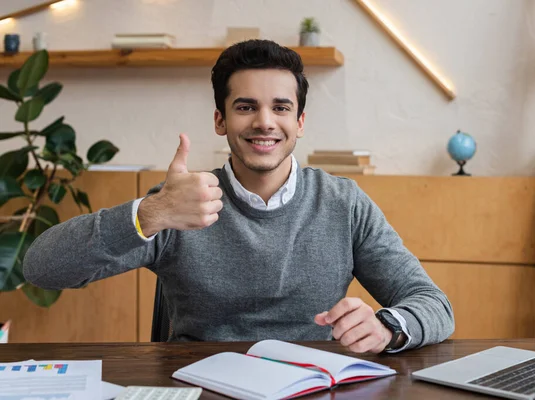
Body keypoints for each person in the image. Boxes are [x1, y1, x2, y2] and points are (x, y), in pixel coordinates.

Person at [23, 39, 454, 354]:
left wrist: (388, 327)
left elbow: (434, 305)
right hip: (200, 387)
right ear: (220, 120)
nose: (264, 122)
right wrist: (149, 213)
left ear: (299, 122)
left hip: (314, 385)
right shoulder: (180, 202)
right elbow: (40, 267)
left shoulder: (343, 203)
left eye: (281, 108)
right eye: (246, 107)